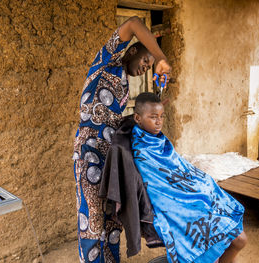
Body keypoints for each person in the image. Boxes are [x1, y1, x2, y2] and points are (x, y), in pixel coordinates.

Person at [72, 17, 171, 262]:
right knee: (93, 221)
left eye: (149, 66)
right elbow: (134, 22)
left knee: (112, 223)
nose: (145, 68)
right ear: (134, 49)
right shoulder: (107, 62)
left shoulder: (125, 87)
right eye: (146, 61)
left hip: (111, 159)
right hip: (90, 152)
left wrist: (149, 116)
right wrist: (160, 57)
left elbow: (115, 121)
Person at [131, 92, 247, 263]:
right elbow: (160, 187)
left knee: (237, 239)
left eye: (162, 116)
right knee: (231, 244)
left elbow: (177, 167)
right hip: (177, 206)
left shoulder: (157, 140)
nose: (159, 122)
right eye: (153, 117)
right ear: (137, 118)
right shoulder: (142, 150)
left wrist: (199, 184)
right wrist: (191, 194)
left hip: (189, 195)